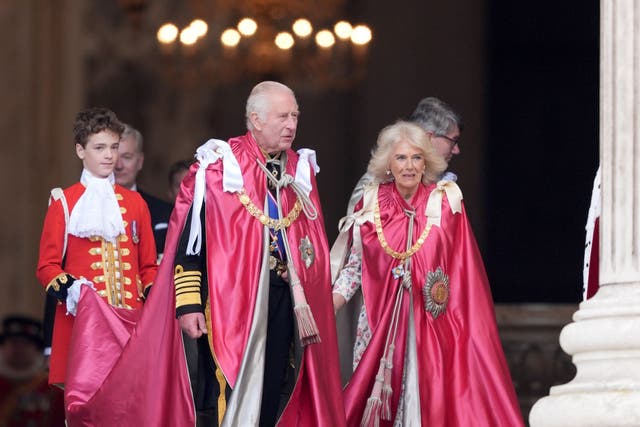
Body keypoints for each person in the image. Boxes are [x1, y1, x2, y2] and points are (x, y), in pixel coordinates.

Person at [171, 80, 345, 426]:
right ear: (256, 119)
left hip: (283, 298)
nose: (292, 125)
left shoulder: (299, 169)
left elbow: (311, 243)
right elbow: (192, 241)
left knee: (277, 390)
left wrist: (300, 273)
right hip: (232, 302)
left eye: (295, 116)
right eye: (282, 116)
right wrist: (188, 304)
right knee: (229, 394)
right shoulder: (221, 167)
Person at [331, 121, 523, 426]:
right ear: (388, 164)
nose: (409, 166)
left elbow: (464, 276)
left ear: (426, 162)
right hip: (378, 332)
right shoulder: (368, 204)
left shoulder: (446, 202)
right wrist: (325, 309)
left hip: (432, 330)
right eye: (401, 158)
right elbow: (354, 269)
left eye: (416, 157)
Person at [35, 107, 158, 388]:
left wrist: (153, 302)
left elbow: (148, 266)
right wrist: (72, 290)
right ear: (81, 151)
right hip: (83, 328)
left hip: (131, 326)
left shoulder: (136, 203)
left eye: (114, 147)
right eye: (99, 147)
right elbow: (46, 266)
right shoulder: (64, 202)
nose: (109, 155)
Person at [346, 96, 463, 215]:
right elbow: (356, 231)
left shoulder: (444, 186)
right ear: (428, 138)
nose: (456, 150)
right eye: (453, 141)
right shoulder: (374, 185)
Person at [115, 124, 173, 258]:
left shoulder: (165, 212)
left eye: (127, 157)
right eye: (113, 157)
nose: (119, 165)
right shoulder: (81, 208)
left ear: (140, 161)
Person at [0, 315, 65, 426]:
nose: (19, 349)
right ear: (3, 346)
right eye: (14, 342)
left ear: (37, 349)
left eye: (26, 344)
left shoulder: (52, 390)